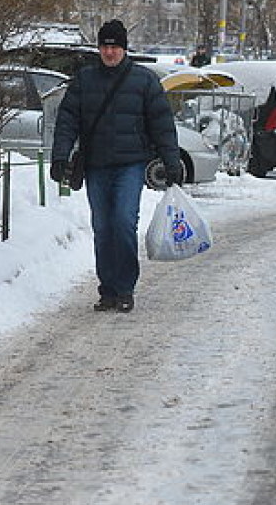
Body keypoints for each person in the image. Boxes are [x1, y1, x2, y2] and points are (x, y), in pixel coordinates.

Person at [50, 19, 182, 314]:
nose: (109, 52)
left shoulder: (144, 81)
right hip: (96, 166)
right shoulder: (84, 80)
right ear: (99, 48)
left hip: (130, 166)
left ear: (124, 49)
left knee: (123, 223)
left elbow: (162, 124)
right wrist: (60, 157)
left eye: (115, 46)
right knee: (102, 227)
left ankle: (125, 288)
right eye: (105, 46)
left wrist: (171, 162)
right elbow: (67, 121)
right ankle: (107, 289)